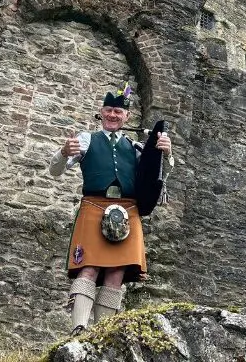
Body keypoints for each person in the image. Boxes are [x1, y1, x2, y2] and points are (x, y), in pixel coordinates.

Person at [49, 84, 172, 335]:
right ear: (101, 112)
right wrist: (63, 153)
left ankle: (102, 332)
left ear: (127, 116)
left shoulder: (136, 147)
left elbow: (157, 175)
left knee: (117, 273)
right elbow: (55, 170)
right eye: (108, 110)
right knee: (89, 267)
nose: (113, 115)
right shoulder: (86, 140)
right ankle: (79, 329)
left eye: (118, 111)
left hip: (128, 211)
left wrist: (166, 154)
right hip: (94, 207)